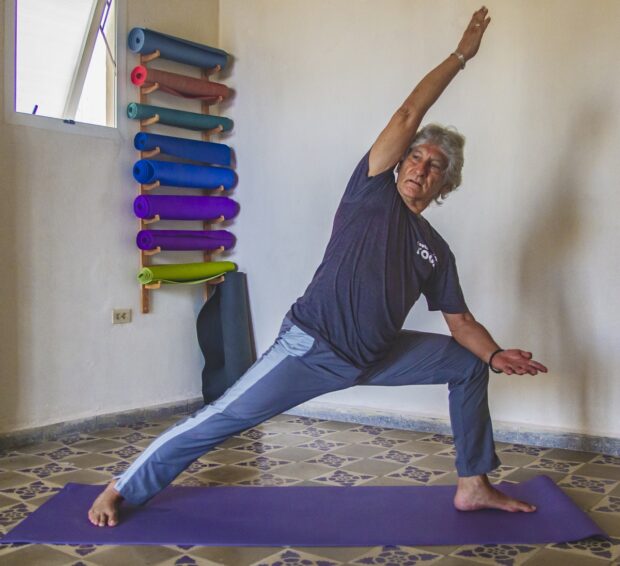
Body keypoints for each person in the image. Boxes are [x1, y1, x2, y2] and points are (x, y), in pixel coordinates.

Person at [89, 6, 547, 527]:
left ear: (447, 183)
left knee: (465, 365)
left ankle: (473, 485)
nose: (421, 168)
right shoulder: (371, 193)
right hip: (314, 346)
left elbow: (459, 322)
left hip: (376, 355)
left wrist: (492, 356)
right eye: (415, 158)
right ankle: (123, 487)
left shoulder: (435, 249)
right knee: (224, 417)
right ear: (398, 164)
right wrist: (460, 56)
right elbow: (406, 116)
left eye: (434, 166)